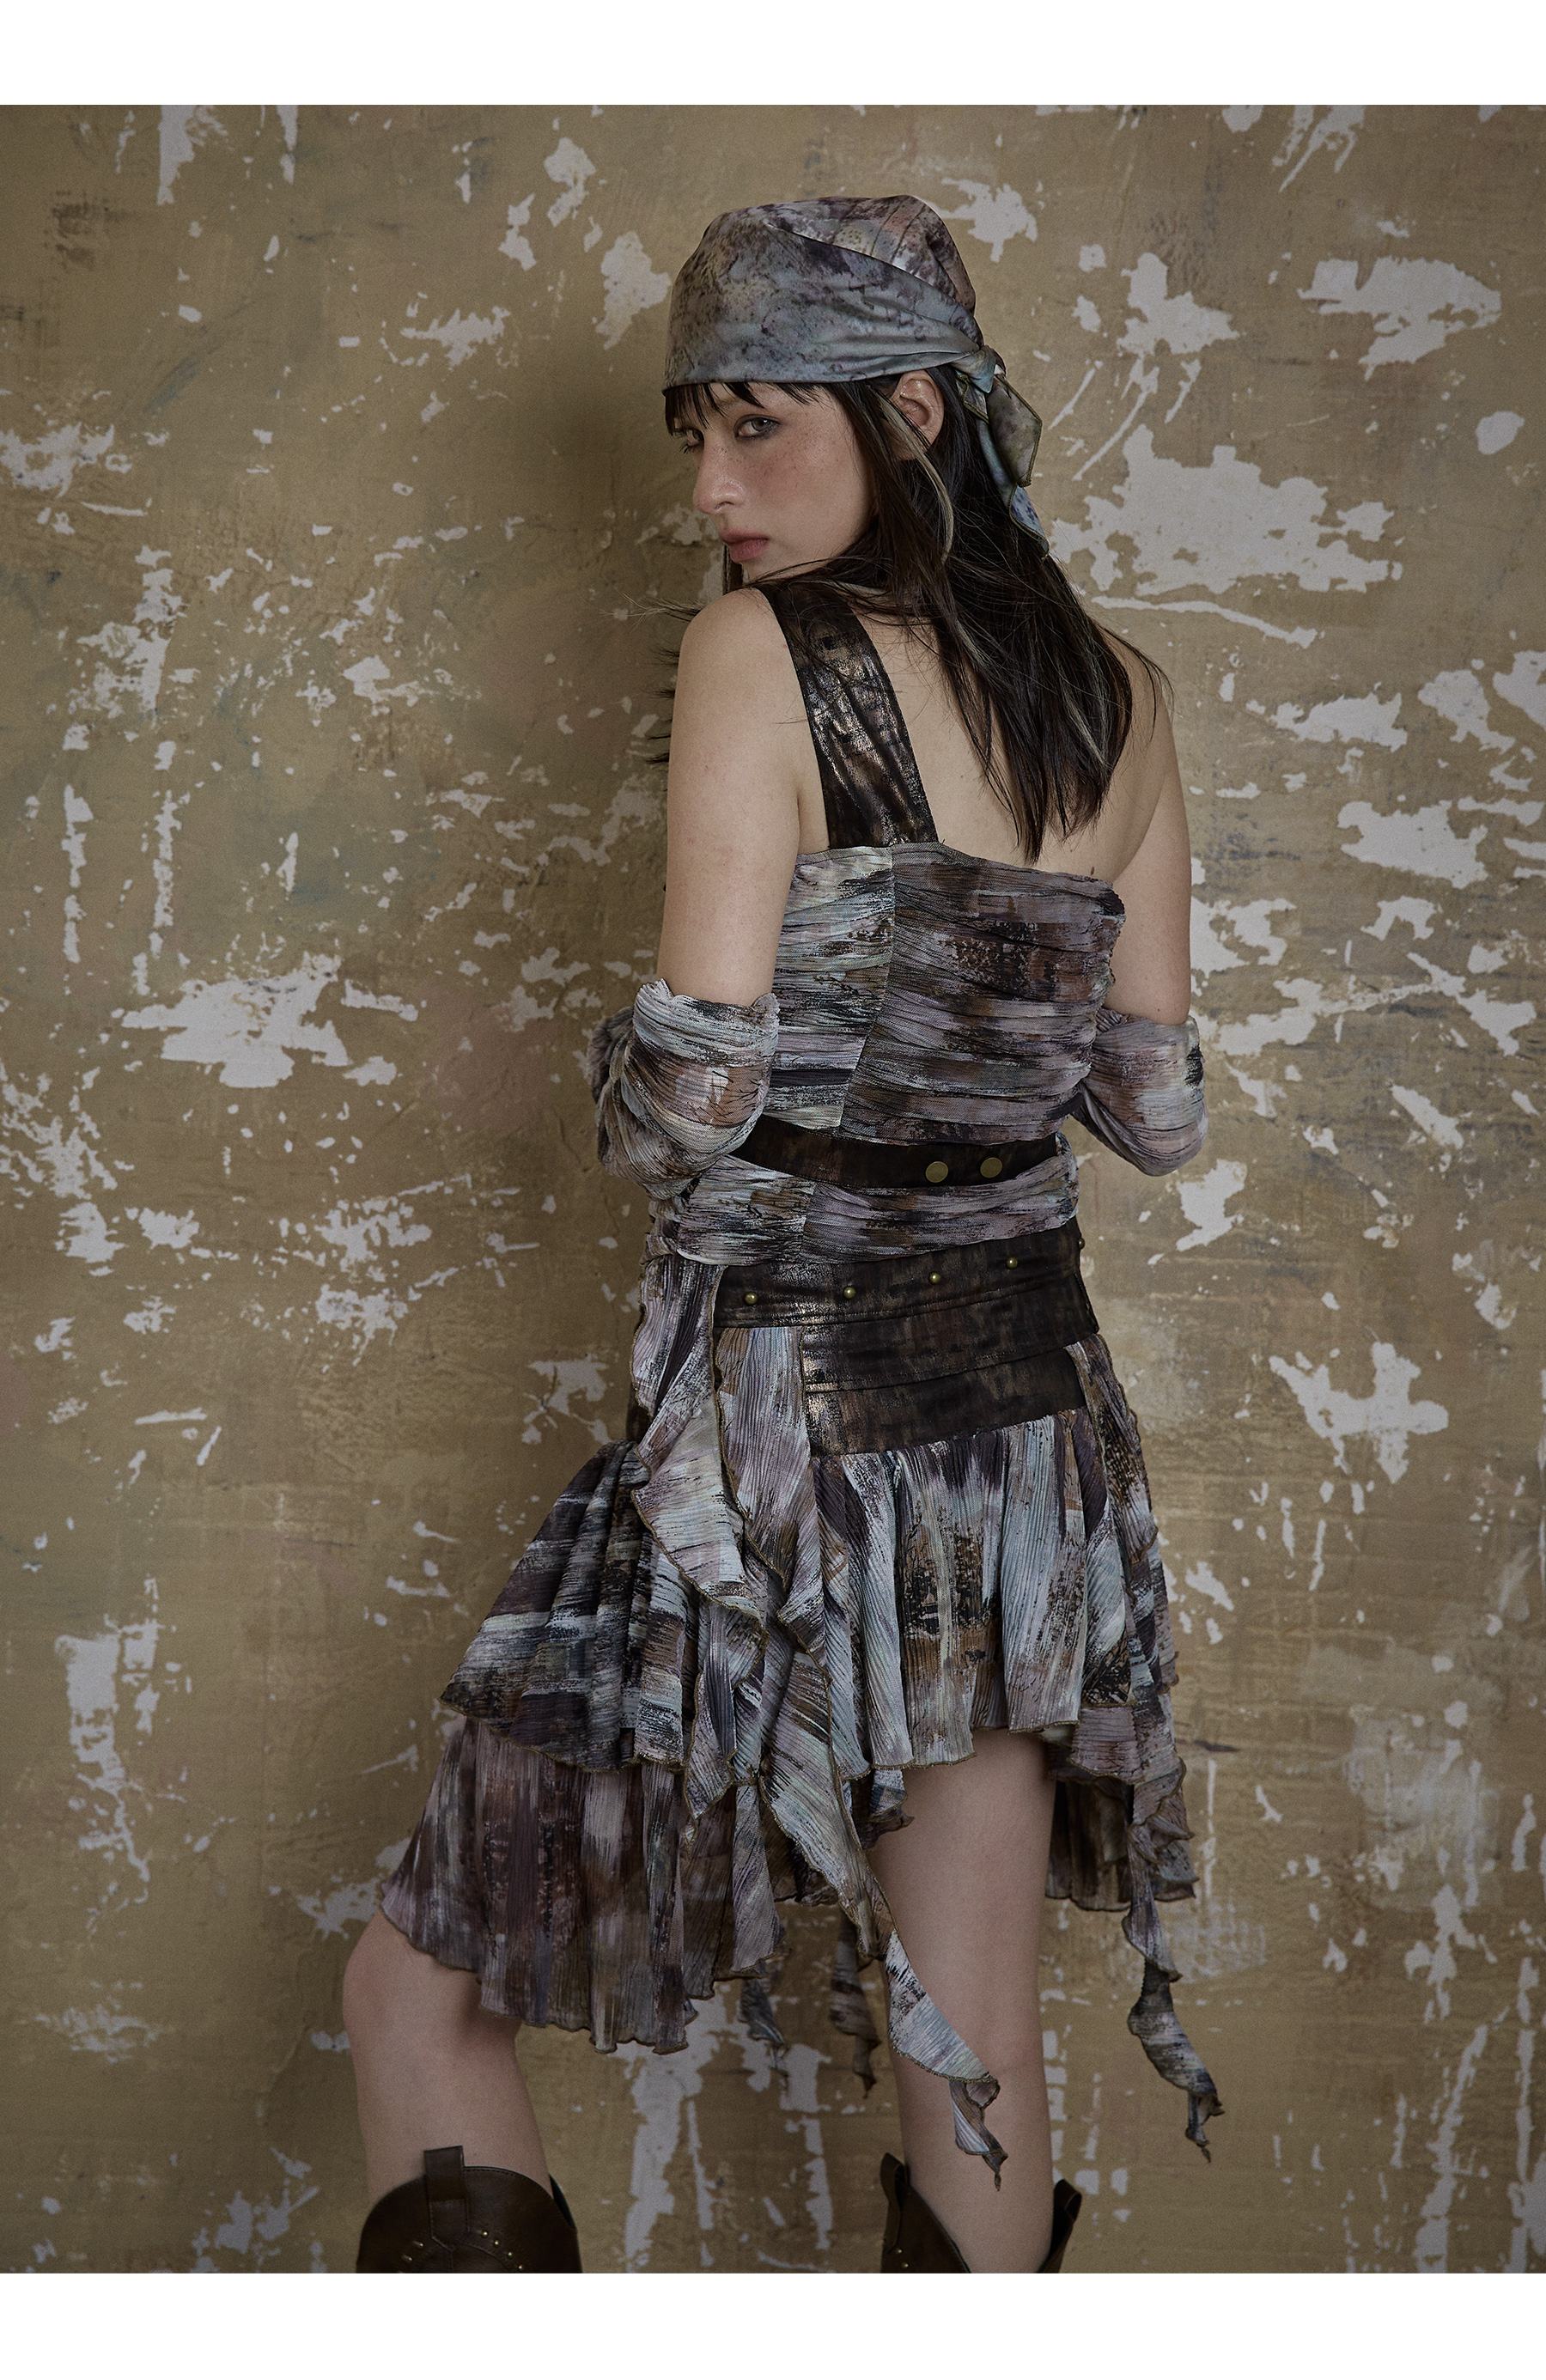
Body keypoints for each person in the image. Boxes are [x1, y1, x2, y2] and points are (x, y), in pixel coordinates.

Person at [342, 193, 1220, 2277]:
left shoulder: (764, 653)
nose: (716, 494)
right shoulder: (1122, 694)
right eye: (696, 439)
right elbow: (1157, 1110)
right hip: (1019, 1448)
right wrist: (978, 1015)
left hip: (774, 1443)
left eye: (759, 426)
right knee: (970, 2056)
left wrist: (611, 1061)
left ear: (912, 410)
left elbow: (702, 1093)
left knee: (415, 1995)